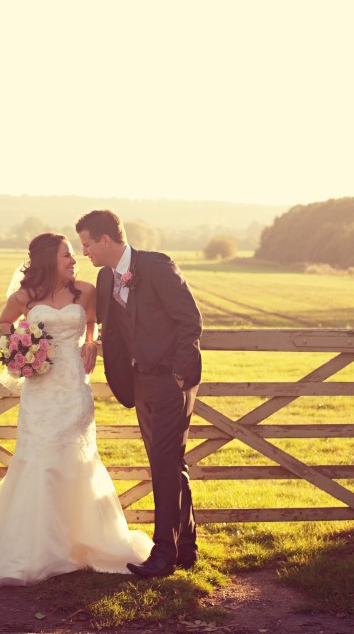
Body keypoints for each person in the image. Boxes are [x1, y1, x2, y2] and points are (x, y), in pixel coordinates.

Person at [0, 232, 152, 586]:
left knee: (76, 459)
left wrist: (90, 343)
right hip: (40, 389)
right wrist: (21, 350)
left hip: (73, 387)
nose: (74, 260)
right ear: (47, 261)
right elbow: (4, 323)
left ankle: (80, 544)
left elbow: (92, 323)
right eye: (67, 255)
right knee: (38, 458)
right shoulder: (24, 296)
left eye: (74, 254)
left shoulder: (85, 290)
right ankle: (33, 548)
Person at [75, 209, 203, 578]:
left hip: (169, 382)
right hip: (140, 383)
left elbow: (189, 320)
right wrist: (94, 344)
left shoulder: (157, 266)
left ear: (105, 240)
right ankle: (185, 548)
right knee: (168, 464)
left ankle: (162, 553)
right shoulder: (104, 277)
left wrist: (178, 374)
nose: (85, 252)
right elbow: (111, 326)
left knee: (164, 464)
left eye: (87, 244)